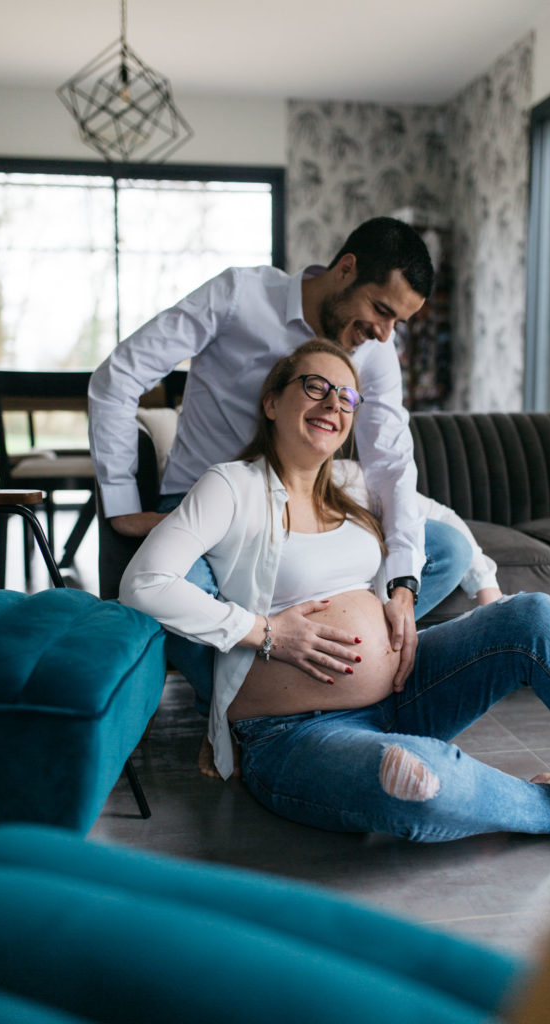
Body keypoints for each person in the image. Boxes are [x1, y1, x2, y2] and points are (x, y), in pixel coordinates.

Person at [120, 340, 550, 839]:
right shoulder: (231, 486)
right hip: (296, 732)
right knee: (416, 782)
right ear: (272, 402)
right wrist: (266, 631)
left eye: (346, 397)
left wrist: (437, 592)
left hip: (407, 690)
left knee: (530, 616)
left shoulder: (354, 483)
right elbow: (144, 584)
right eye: (315, 386)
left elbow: (441, 523)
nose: (332, 405)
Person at [90, 217, 478, 706]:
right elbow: (118, 376)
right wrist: (122, 500)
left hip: (312, 506)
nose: (384, 334)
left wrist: (401, 585)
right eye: (380, 309)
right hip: (210, 507)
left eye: (397, 322)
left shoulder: (376, 351)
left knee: (445, 550)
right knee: (175, 592)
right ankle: (244, 717)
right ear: (346, 269)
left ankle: (314, 674)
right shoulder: (238, 296)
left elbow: (391, 463)